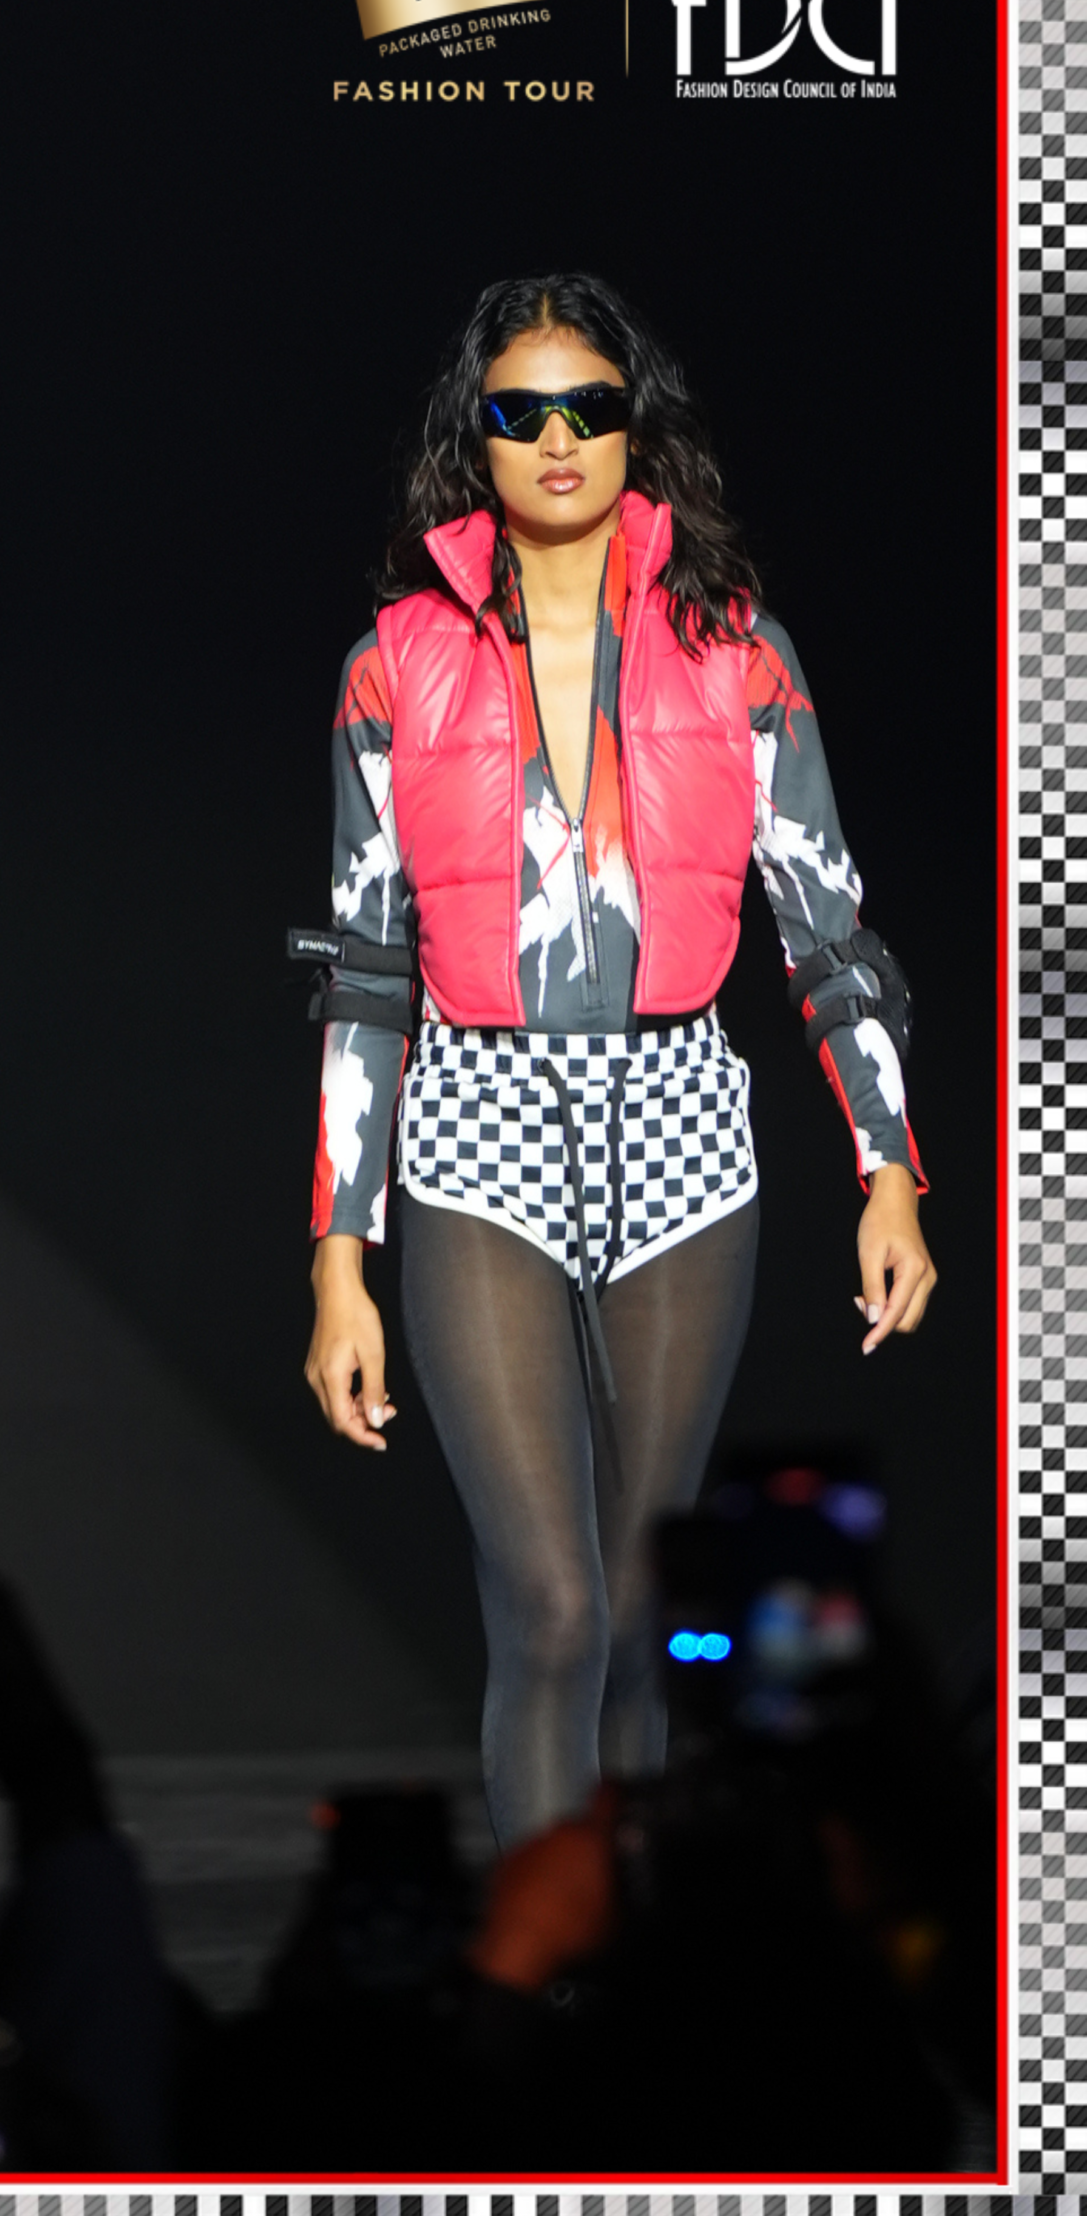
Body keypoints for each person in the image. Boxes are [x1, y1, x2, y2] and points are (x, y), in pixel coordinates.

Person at [299, 273, 936, 1850]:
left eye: (590, 406)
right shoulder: (395, 663)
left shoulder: (738, 650)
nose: (560, 438)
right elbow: (367, 970)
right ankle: (545, 1971)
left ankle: (632, 1972)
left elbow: (828, 930)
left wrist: (891, 1173)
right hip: (475, 1124)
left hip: (683, 1125)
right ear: (476, 438)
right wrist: (337, 1262)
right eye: (521, 412)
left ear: (636, 429)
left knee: (649, 1612)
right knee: (553, 1607)